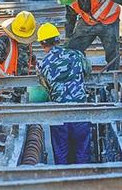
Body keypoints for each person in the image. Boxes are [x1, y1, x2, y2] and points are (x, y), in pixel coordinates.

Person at [36, 23, 92, 164]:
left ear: (42, 44)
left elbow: (45, 88)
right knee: (82, 152)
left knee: (61, 154)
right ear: (58, 40)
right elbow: (88, 71)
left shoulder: (43, 65)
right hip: (80, 111)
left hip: (59, 114)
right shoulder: (76, 55)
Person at [0, 11, 37, 102]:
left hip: (21, 92)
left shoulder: (27, 43)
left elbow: (31, 59)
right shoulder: (4, 41)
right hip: (4, 93)